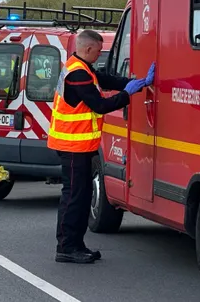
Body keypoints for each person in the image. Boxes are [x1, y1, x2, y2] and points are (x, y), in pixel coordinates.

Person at [47, 29, 154, 264]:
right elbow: (99, 105)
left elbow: (104, 79)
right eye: (97, 51)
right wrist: (127, 93)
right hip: (73, 145)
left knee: (81, 196)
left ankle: (75, 244)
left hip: (78, 145)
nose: (99, 55)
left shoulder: (82, 67)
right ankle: (66, 246)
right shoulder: (77, 74)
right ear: (87, 49)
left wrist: (135, 82)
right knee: (74, 197)